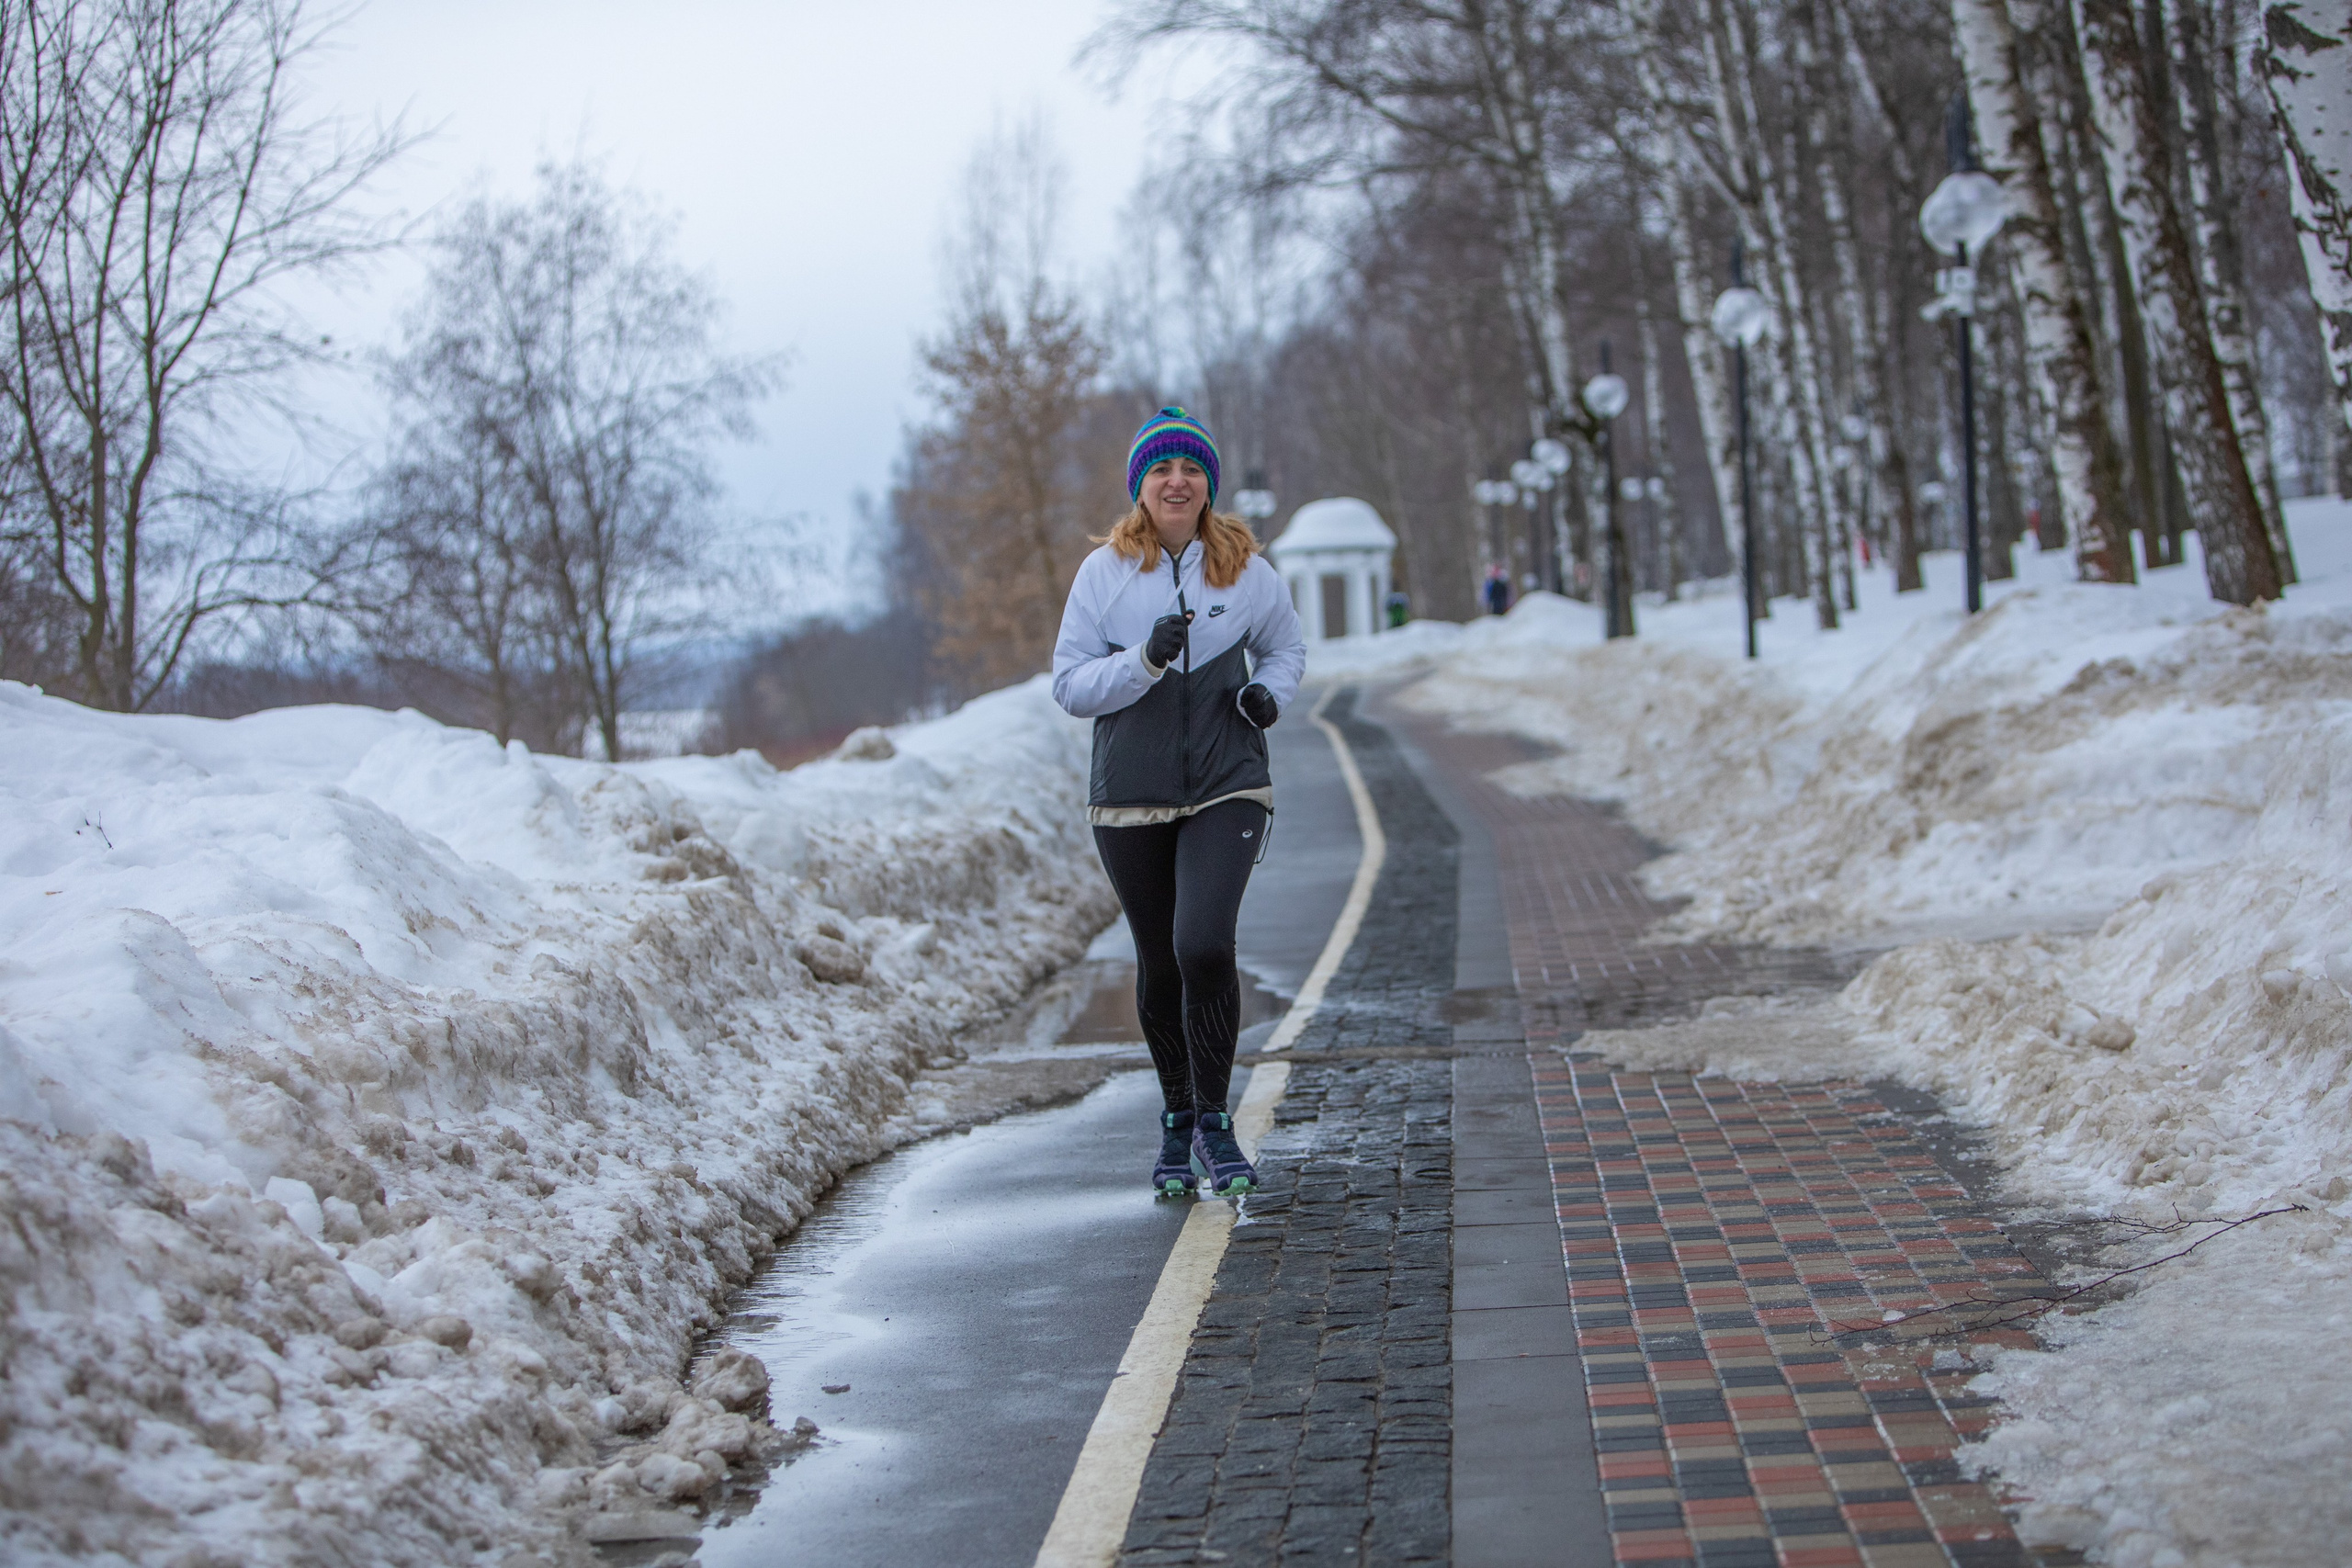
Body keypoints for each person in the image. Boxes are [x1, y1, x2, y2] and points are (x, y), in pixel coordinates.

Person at [1051, 408, 1306, 1198]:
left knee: (1202, 943)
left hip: (1228, 784)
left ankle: (1216, 1122)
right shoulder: (1104, 574)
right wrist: (1144, 660)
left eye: (1190, 469)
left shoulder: (1247, 570)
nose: (1176, 481)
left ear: (1208, 484)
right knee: (1160, 959)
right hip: (1131, 796)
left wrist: (1269, 693)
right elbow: (1069, 685)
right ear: (1140, 486)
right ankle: (1175, 1121)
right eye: (1162, 470)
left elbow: (1287, 647)